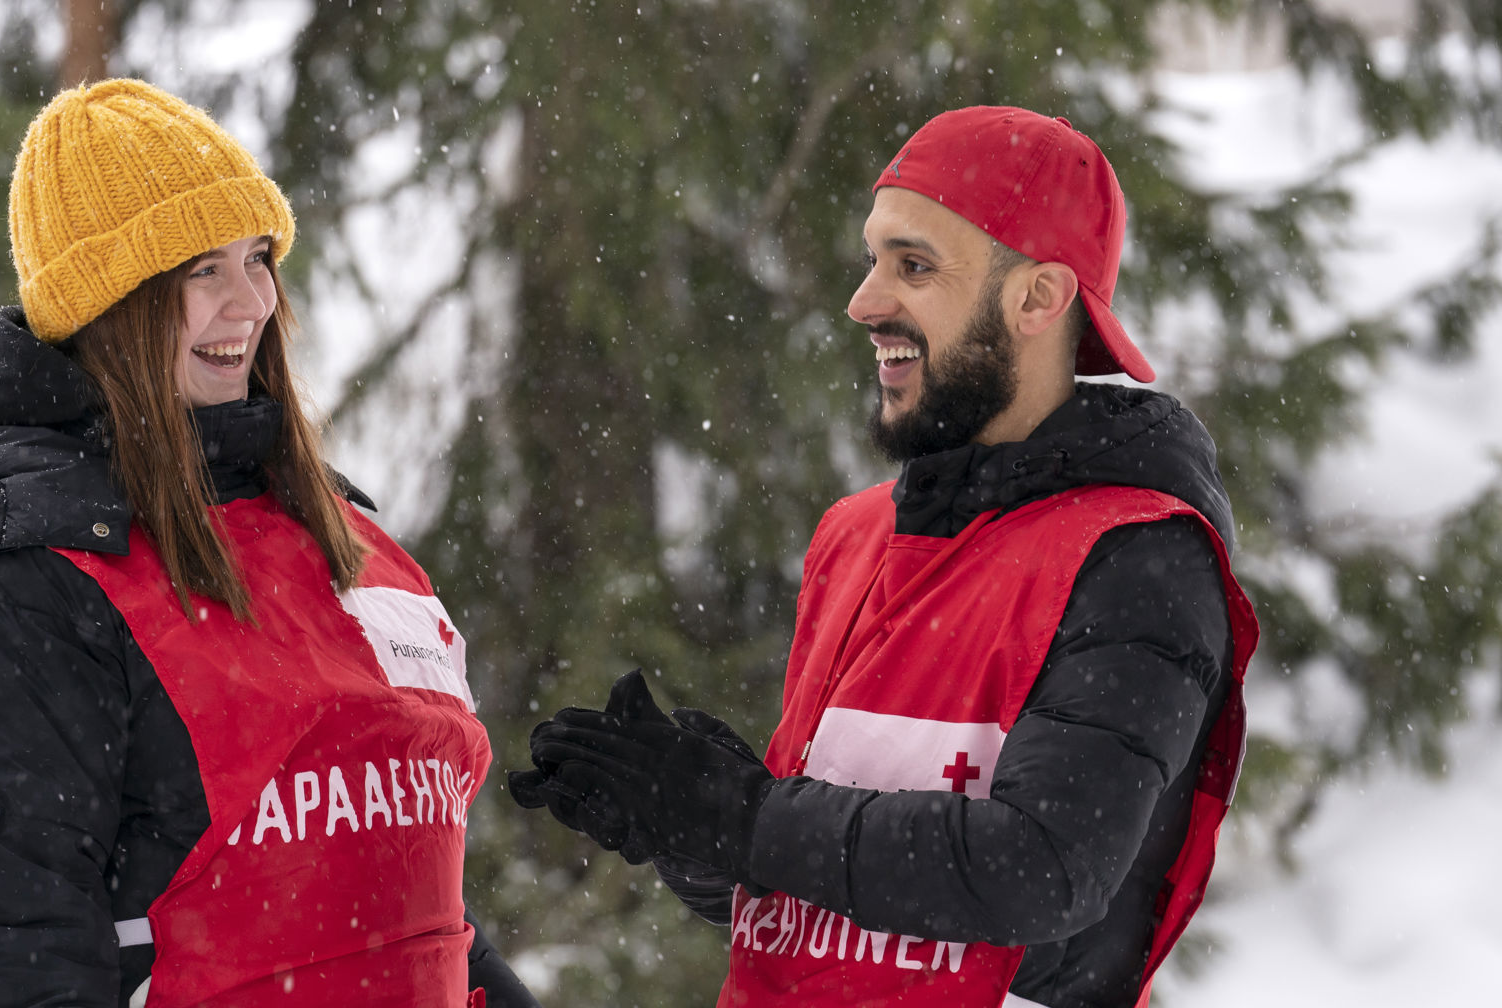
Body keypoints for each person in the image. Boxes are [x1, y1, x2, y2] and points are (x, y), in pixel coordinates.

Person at [509, 106, 1257, 1007]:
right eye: (872, 259)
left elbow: (1042, 872)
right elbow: (817, 914)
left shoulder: (1138, 556)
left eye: (915, 266)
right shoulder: (858, 534)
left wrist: (744, 816)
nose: (864, 302)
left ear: (1037, 298)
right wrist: (684, 820)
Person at [0, 78, 538, 1008]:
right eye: (201, 272)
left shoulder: (332, 531)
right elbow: (13, 957)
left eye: (257, 258)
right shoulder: (13, 576)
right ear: (110, 305)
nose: (251, 301)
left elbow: (409, 891)